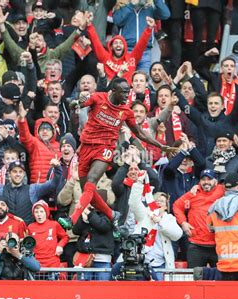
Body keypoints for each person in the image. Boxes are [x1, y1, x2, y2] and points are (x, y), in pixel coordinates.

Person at [58, 78, 174, 231]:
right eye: (124, 92)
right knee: (88, 191)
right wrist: (78, 102)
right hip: (86, 147)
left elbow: (140, 133)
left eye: (128, 91)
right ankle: (112, 215)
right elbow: (82, 102)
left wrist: (161, 146)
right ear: (113, 91)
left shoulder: (126, 112)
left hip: (105, 148)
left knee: (91, 181)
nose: (127, 95)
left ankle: (72, 219)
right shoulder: (99, 98)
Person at [128, 172, 182, 279]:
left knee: (159, 295)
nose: (158, 203)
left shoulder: (169, 219)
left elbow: (177, 235)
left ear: (166, 206)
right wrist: (139, 183)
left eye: (162, 201)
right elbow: (133, 203)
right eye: (156, 200)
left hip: (159, 265)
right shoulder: (144, 214)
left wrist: (159, 222)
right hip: (139, 264)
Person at [0, 160, 62, 225]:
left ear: (24, 174)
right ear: (9, 174)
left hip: (26, 234)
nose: (18, 174)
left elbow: (53, 184)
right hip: (6, 233)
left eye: (20, 172)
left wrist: (57, 168)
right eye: (14, 171)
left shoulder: (33, 189)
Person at [173, 169, 225, 268]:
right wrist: (183, 222)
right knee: (195, 278)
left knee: (221, 279)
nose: (206, 182)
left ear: (216, 181)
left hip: (218, 244)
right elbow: (177, 206)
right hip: (196, 245)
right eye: (203, 179)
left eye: (209, 179)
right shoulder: (193, 193)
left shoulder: (222, 190)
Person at [86, 12, 154, 83]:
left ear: (124, 47)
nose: (118, 45)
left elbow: (141, 45)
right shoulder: (105, 57)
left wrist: (149, 28)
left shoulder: (131, 59)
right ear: (111, 47)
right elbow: (96, 42)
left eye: (121, 43)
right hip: (109, 91)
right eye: (115, 43)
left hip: (127, 91)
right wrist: (89, 25)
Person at [73, 205, 115, 280]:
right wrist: (83, 220)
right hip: (84, 258)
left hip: (102, 259)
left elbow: (103, 226)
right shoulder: (84, 212)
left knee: (102, 288)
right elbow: (75, 231)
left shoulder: (107, 212)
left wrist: (90, 215)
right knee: (84, 288)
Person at [27, 200, 69, 269]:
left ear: (46, 213)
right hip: (36, 264)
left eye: (41, 211)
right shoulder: (30, 227)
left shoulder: (54, 224)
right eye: (36, 212)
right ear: (33, 214)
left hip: (53, 263)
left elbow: (65, 237)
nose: (39, 214)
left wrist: (60, 246)